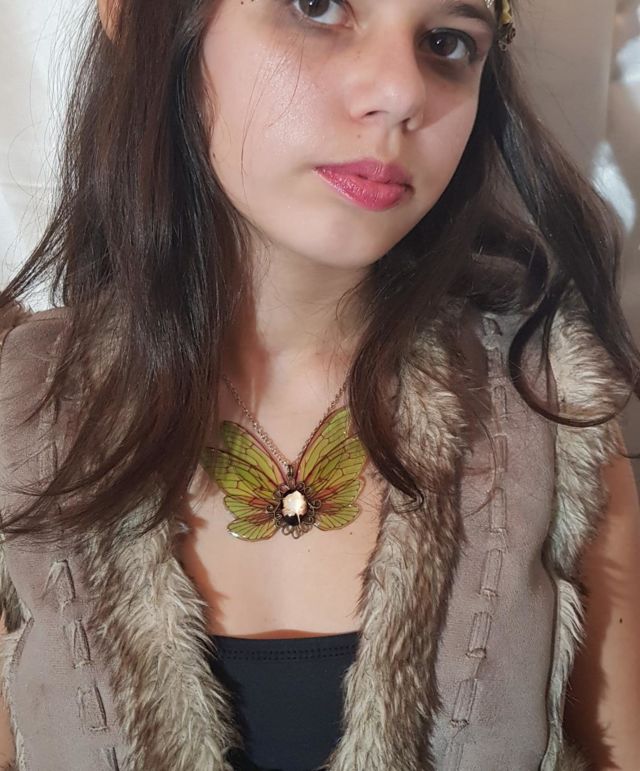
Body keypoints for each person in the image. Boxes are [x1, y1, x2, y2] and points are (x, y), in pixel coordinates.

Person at [0, 0, 638, 769]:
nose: (402, 92)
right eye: (317, 5)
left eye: (446, 42)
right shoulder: (16, 411)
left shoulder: (554, 410)